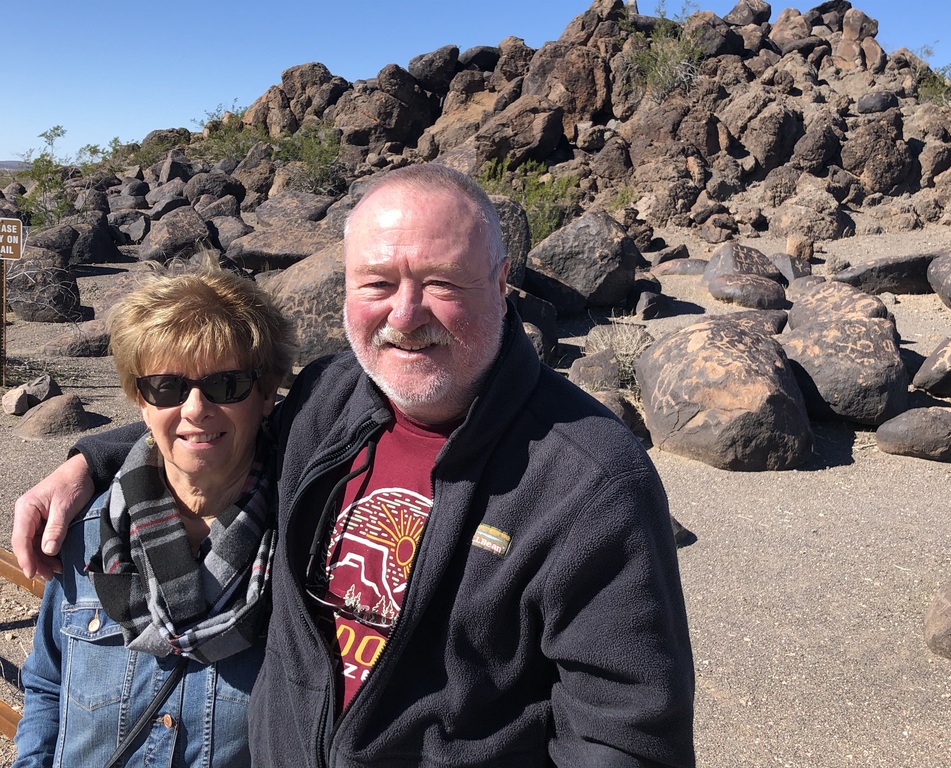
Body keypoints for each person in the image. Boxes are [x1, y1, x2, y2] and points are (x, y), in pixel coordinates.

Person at [13, 165, 696, 766]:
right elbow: (207, 427)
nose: (405, 314)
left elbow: (626, 740)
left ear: (500, 282)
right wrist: (88, 461)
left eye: (441, 282)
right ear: (345, 288)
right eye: (378, 282)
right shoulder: (329, 401)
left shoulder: (590, 480)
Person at [13, 266, 295, 767]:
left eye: (225, 385)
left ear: (266, 393)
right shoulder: (85, 535)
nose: (195, 408)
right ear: (139, 400)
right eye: (167, 388)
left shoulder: (301, 552)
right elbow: (46, 683)